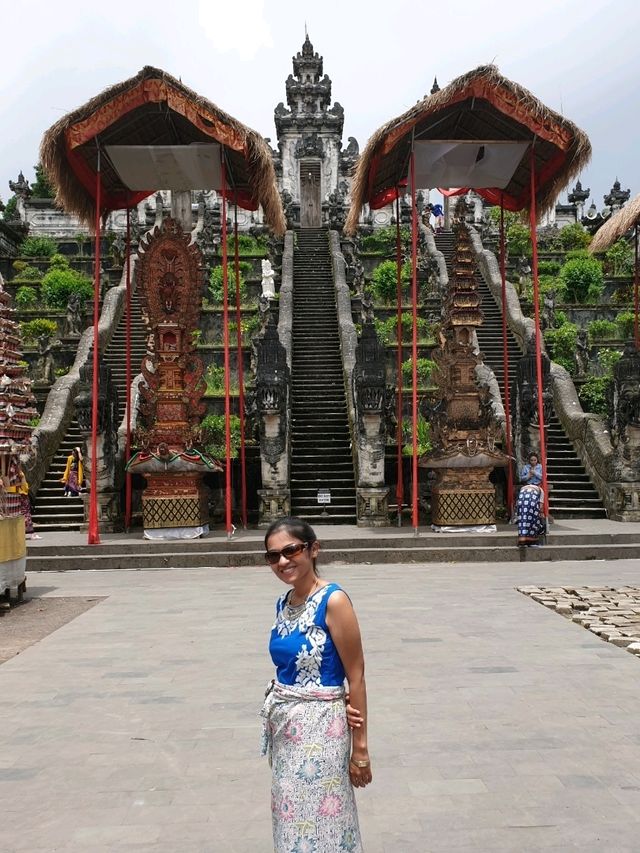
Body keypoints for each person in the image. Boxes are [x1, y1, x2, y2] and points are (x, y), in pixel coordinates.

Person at [261, 517, 370, 853]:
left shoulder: (333, 601)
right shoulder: (283, 603)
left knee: (324, 814)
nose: (282, 561)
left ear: (313, 549)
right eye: (273, 556)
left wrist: (360, 749)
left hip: (323, 729)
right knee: (289, 812)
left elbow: (356, 675)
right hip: (286, 726)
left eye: (291, 550)